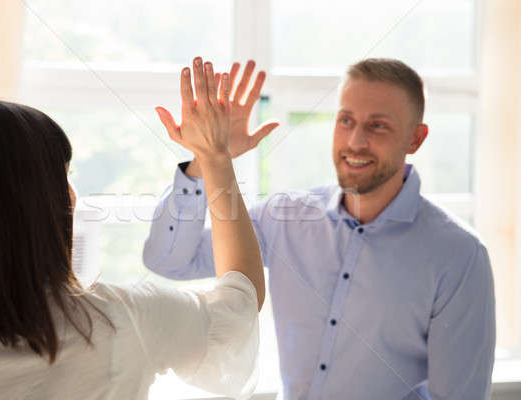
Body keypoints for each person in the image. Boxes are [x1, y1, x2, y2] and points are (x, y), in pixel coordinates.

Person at [146, 58, 496, 400]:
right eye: (346, 120)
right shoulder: (286, 218)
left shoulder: (459, 255)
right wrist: (204, 160)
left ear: (415, 139)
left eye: (378, 126)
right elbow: (170, 260)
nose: (355, 141)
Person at [0, 58, 265, 400]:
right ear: (45, 204)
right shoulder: (123, 319)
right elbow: (240, 306)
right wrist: (215, 158)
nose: (73, 193)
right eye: (64, 176)